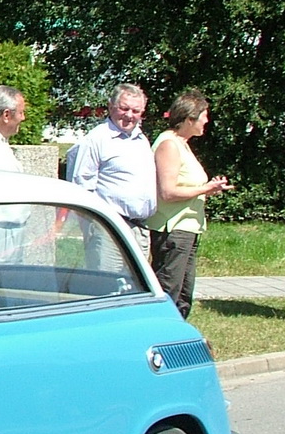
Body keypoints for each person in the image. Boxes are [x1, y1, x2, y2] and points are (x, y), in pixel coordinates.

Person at [146, 92, 231, 318]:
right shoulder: (169, 144)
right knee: (169, 289)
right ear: (189, 118)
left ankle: (178, 335)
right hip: (173, 229)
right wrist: (206, 189)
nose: (207, 121)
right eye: (204, 116)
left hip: (188, 228)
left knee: (184, 292)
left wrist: (210, 188)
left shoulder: (182, 144)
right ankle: (160, 333)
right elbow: (168, 192)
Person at [65, 83, 156, 259]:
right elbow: (81, 187)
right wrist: (95, 227)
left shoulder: (141, 139)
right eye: (124, 108)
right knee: (107, 284)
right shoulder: (96, 140)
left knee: (136, 286)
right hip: (109, 230)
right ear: (110, 106)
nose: (129, 115)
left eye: (136, 111)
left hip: (140, 229)